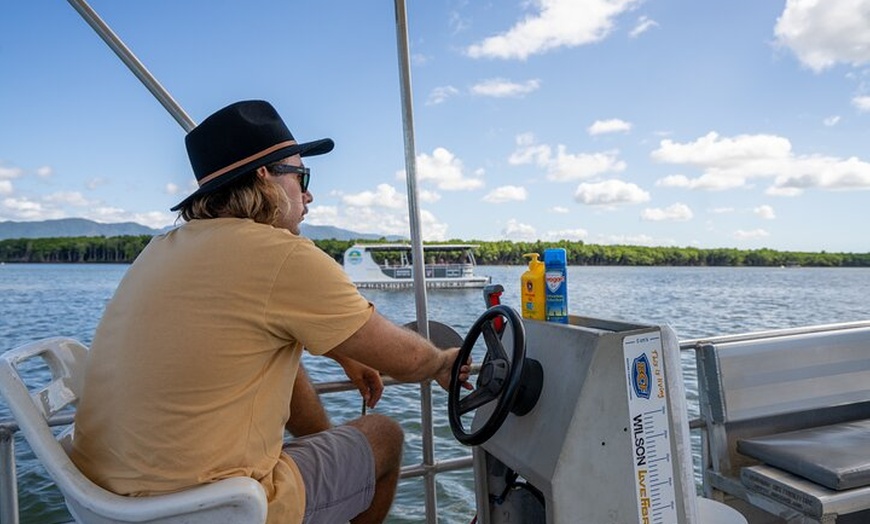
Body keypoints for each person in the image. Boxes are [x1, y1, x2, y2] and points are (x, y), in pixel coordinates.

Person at [70, 99, 471, 524]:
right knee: (383, 436)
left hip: (107, 504)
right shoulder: (281, 255)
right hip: (214, 507)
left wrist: (340, 355)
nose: (309, 194)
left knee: (317, 420)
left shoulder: (161, 250)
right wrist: (443, 361)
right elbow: (406, 360)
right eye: (301, 176)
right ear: (265, 176)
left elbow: (247, 345)